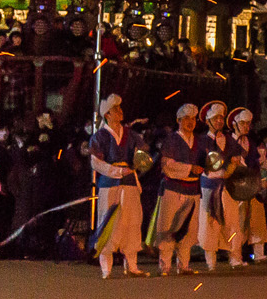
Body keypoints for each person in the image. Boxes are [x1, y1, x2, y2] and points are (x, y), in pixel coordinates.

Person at [89, 94, 147, 278]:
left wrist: (139, 162)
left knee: (133, 221)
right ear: (107, 114)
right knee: (108, 222)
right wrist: (118, 171)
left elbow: (142, 154)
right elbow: (96, 163)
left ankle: (132, 265)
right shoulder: (100, 136)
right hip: (110, 184)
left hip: (130, 183)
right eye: (116, 109)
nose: (120, 112)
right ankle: (106, 268)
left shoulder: (131, 134)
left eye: (120, 108)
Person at [156, 103, 211, 275]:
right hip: (173, 189)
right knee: (168, 226)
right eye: (186, 118)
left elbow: (208, 161)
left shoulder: (200, 141)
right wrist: (189, 168)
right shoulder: (172, 140)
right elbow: (167, 165)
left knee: (189, 228)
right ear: (179, 120)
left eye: (193, 119)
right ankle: (165, 265)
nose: (190, 122)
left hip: (193, 189)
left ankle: (184, 264)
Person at [195, 102, 242, 270]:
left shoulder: (229, 140)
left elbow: (238, 159)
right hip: (208, 187)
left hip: (227, 187)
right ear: (208, 121)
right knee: (210, 223)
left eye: (221, 118)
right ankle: (210, 260)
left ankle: (235, 257)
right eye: (216, 118)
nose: (219, 121)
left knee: (232, 222)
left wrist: (235, 163)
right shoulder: (201, 141)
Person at [225, 108, 267, 264]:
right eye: (242, 123)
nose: (246, 126)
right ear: (235, 124)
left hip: (252, 186)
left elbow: (256, 164)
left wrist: (260, 181)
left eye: (248, 123)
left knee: (257, 219)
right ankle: (235, 256)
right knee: (237, 223)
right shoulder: (228, 142)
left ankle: (259, 253)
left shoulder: (250, 143)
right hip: (235, 188)